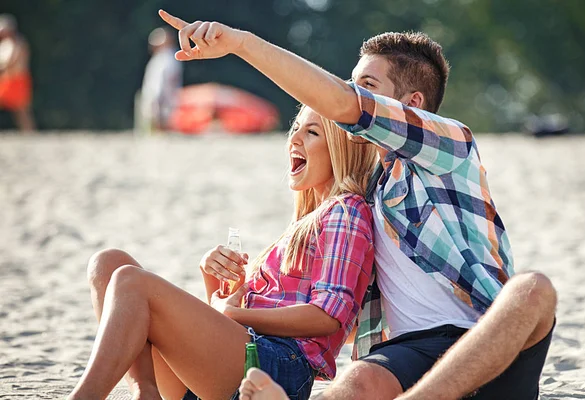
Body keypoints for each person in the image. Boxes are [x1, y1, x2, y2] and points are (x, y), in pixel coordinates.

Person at [158, 10, 558, 400]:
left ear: (412, 103)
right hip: (408, 352)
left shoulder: (449, 144)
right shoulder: (364, 198)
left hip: (487, 338)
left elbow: (340, 103)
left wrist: (241, 43)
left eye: (368, 84)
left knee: (533, 289)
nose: (354, 96)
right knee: (359, 381)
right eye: (353, 84)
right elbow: (329, 299)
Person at [68, 105, 378, 400]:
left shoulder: (346, 211)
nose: (294, 139)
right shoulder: (308, 219)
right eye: (295, 128)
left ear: (342, 149)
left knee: (131, 281)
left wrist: (234, 313)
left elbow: (328, 317)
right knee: (108, 264)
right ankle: (145, 391)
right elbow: (225, 318)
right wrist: (215, 282)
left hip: (279, 367)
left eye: (312, 133)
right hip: (238, 358)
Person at [136, 26, 182, 133]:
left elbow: (161, 85)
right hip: (160, 103)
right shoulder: (161, 57)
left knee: (158, 134)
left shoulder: (167, 59)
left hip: (161, 105)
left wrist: (157, 105)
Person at [0, 14, 35, 131]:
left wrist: (5, 68)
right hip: (7, 78)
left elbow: (14, 61)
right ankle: (28, 131)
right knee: (20, 109)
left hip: (17, 78)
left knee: (21, 109)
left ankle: (28, 131)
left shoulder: (18, 43)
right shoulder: (5, 44)